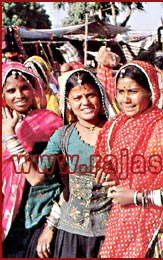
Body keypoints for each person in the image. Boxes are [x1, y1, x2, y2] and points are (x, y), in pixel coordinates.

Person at [94, 60, 163, 258]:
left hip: (159, 230)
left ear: (150, 91)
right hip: (122, 224)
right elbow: (110, 169)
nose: (125, 99)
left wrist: (137, 197)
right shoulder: (114, 127)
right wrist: (108, 178)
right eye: (121, 92)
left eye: (133, 91)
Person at [33, 68, 116, 258]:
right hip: (71, 234)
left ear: (100, 97)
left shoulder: (117, 131)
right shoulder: (62, 137)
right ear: (68, 102)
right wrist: (50, 227)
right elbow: (48, 180)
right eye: (77, 98)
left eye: (90, 95)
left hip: (111, 231)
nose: (85, 102)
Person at [2, 61, 63, 257]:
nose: (19, 95)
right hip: (6, 213)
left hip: (35, 216)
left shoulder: (47, 124)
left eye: (24, 88)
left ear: (34, 88)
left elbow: (35, 178)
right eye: (11, 90)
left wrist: (11, 137)